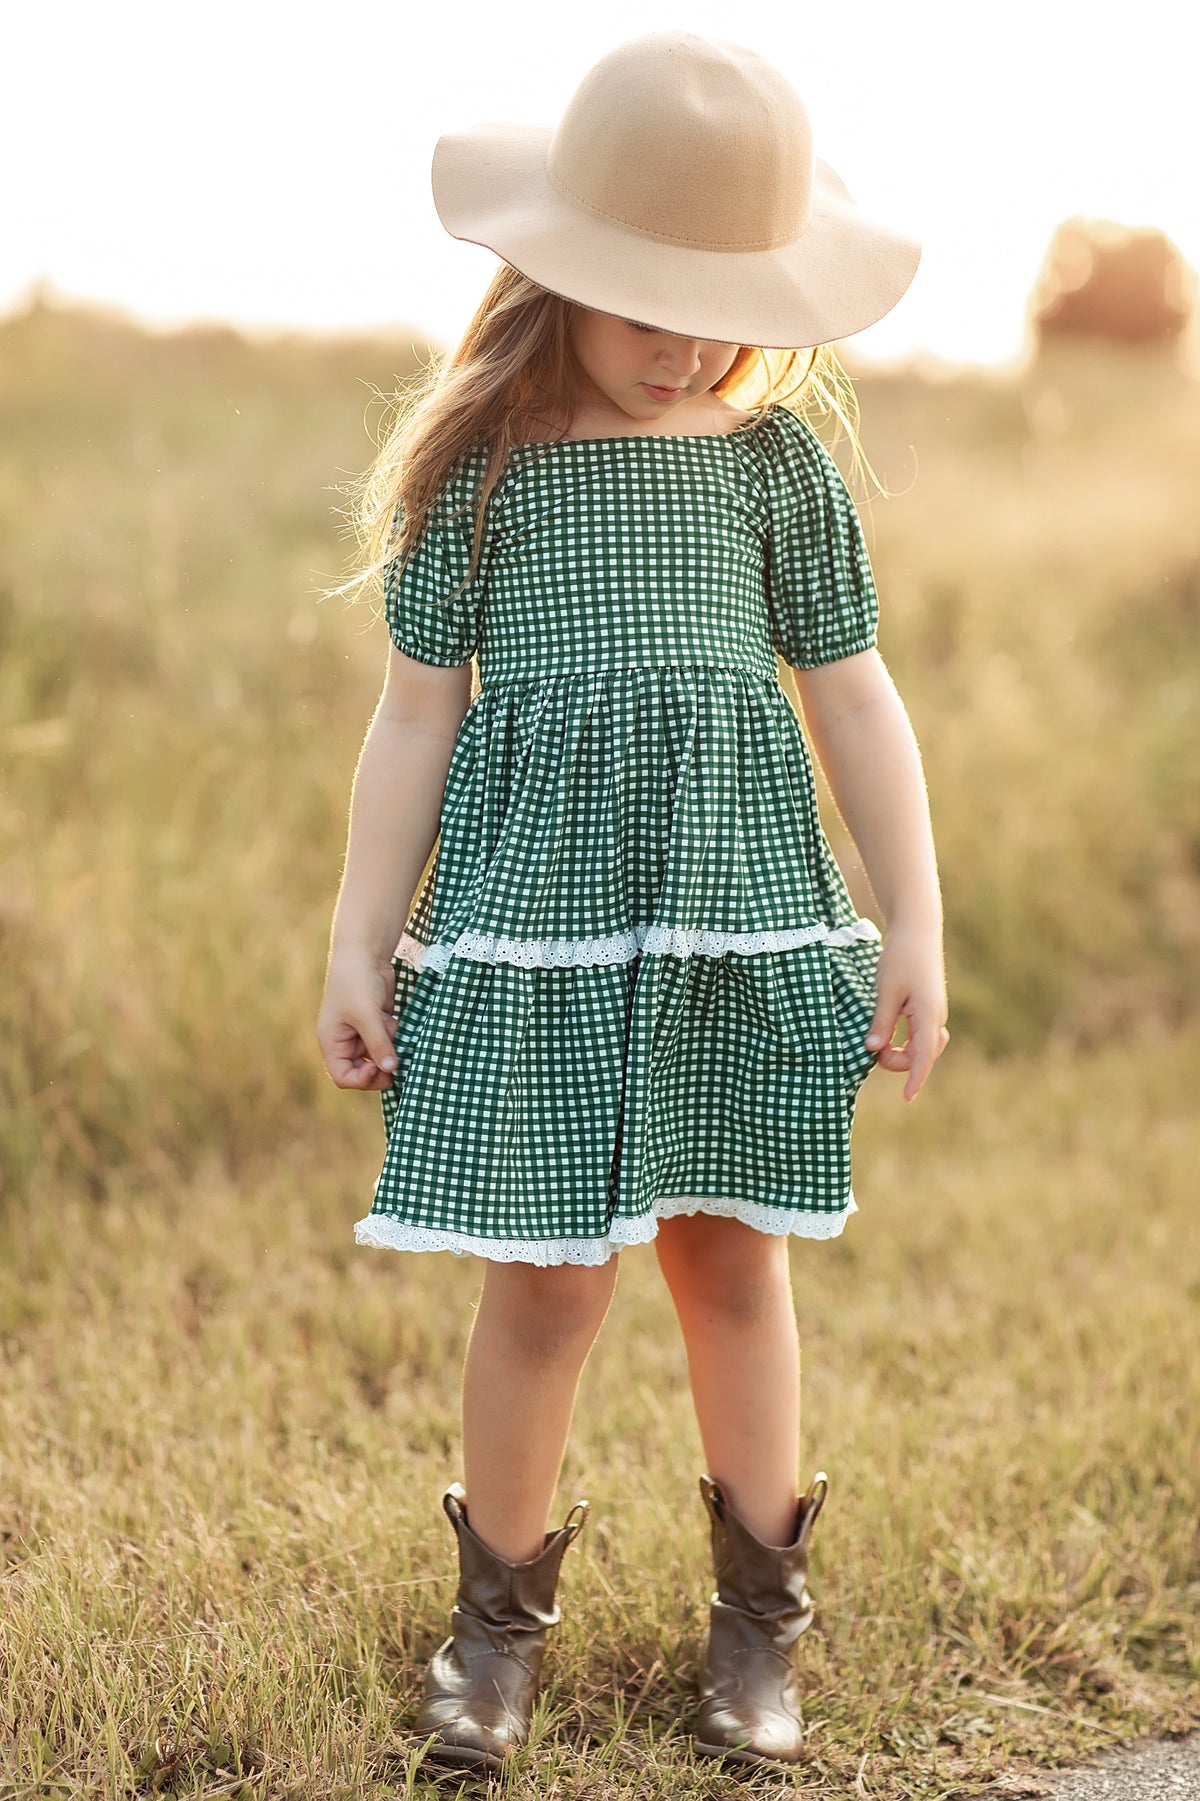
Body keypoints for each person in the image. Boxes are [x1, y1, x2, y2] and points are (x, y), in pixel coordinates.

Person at [317, 30, 948, 1773]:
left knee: (732, 1264)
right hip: (543, 938)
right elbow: (414, 714)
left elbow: (856, 695)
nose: (686, 343)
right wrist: (361, 937)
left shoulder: (777, 468)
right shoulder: (484, 469)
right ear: (561, 270)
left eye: (722, 303)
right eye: (646, 297)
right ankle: (493, 1634)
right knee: (543, 1284)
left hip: (738, 922)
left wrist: (916, 913)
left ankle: (759, 1634)